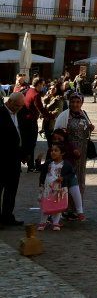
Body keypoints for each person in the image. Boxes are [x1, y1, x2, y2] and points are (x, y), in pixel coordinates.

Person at [53, 93, 94, 210]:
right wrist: (70, 149)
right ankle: (66, 207)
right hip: (69, 152)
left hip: (82, 151)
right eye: (73, 102)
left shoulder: (84, 114)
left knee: (80, 177)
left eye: (78, 102)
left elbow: (84, 130)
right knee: (68, 178)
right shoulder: (64, 116)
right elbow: (58, 136)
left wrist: (90, 128)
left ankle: (77, 207)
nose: (75, 104)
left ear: (81, 103)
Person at [37, 141, 84, 231]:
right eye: (52, 150)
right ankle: (43, 222)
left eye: (56, 150)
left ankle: (55, 222)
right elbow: (40, 169)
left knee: (58, 206)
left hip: (60, 189)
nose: (53, 152)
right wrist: (38, 161)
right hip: (48, 188)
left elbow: (71, 174)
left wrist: (63, 178)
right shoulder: (48, 163)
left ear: (62, 153)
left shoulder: (66, 164)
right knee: (46, 204)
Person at [1, 92, 25, 226]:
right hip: (3, 159)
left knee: (11, 190)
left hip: (15, 159)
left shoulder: (20, 112)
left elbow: (23, 132)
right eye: (16, 106)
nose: (18, 108)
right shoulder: (1, 113)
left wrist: (25, 153)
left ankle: (7, 217)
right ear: (9, 101)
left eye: (20, 106)